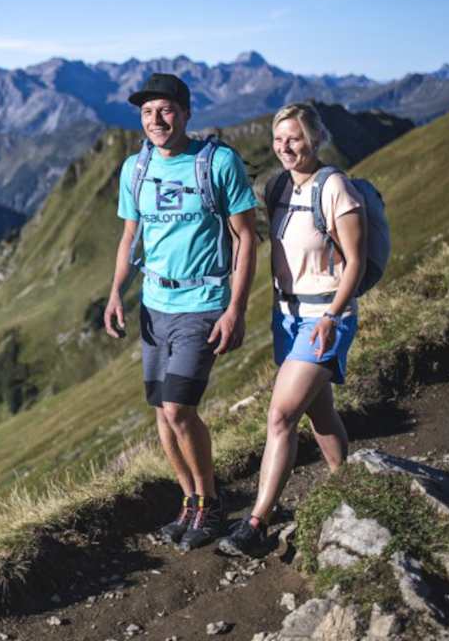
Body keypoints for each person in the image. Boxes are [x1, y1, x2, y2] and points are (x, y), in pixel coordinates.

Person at [104, 73, 258, 550]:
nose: (156, 119)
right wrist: (115, 293)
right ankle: (189, 501)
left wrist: (236, 308)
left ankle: (210, 505)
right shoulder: (137, 169)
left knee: (179, 408)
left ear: (186, 113)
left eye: (166, 110)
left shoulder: (218, 162)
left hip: (203, 303)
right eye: (147, 112)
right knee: (161, 413)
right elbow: (131, 236)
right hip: (154, 303)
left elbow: (246, 237)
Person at [217, 102, 364, 557]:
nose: (284, 148)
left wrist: (331, 316)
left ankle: (258, 522)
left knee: (280, 416)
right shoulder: (278, 185)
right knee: (319, 413)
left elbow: (356, 261)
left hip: (324, 316)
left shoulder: (335, 187)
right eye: (279, 140)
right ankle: (351, 485)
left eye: (294, 139)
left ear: (315, 138)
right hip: (286, 316)